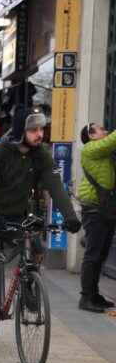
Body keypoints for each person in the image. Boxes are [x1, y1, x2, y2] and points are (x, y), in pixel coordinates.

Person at [0, 111, 81, 342]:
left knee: (36, 247)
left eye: (42, 129)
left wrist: (70, 217)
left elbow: (55, 186)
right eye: (34, 130)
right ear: (21, 132)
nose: (40, 134)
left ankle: (29, 285)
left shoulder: (41, 156)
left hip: (14, 214)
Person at [77, 122, 116, 313]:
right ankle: (86, 297)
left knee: (100, 254)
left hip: (103, 207)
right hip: (94, 208)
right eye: (101, 129)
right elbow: (112, 140)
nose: (105, 131)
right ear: (91, 136)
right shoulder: (91, 149)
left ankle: (94, 294)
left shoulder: (101, 153)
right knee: (93, 254)